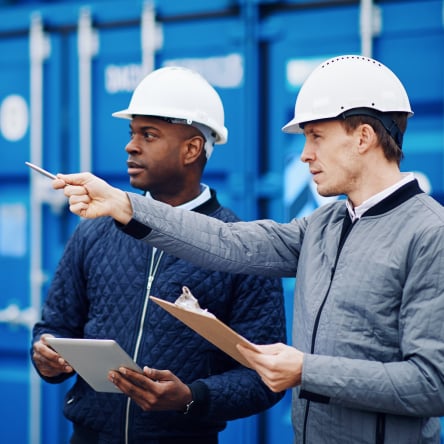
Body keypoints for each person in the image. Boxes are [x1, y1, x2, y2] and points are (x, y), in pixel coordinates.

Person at [51, 55, 444, 443]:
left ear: (363, 137)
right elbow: (229, 242)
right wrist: (125, 206)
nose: (305, 153)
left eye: (316, 136)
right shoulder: (324, 226)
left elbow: (434, 382)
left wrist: (307, 371)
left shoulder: (430, 233)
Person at [31, 66, 287, 444]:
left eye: (148, 135)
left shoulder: (241, 247)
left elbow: (264, 378)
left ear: (191, 149)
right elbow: (52, 328)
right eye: (132, 133)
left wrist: (191, 398)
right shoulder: (94, 231)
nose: (130, 146)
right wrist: (47, 359)